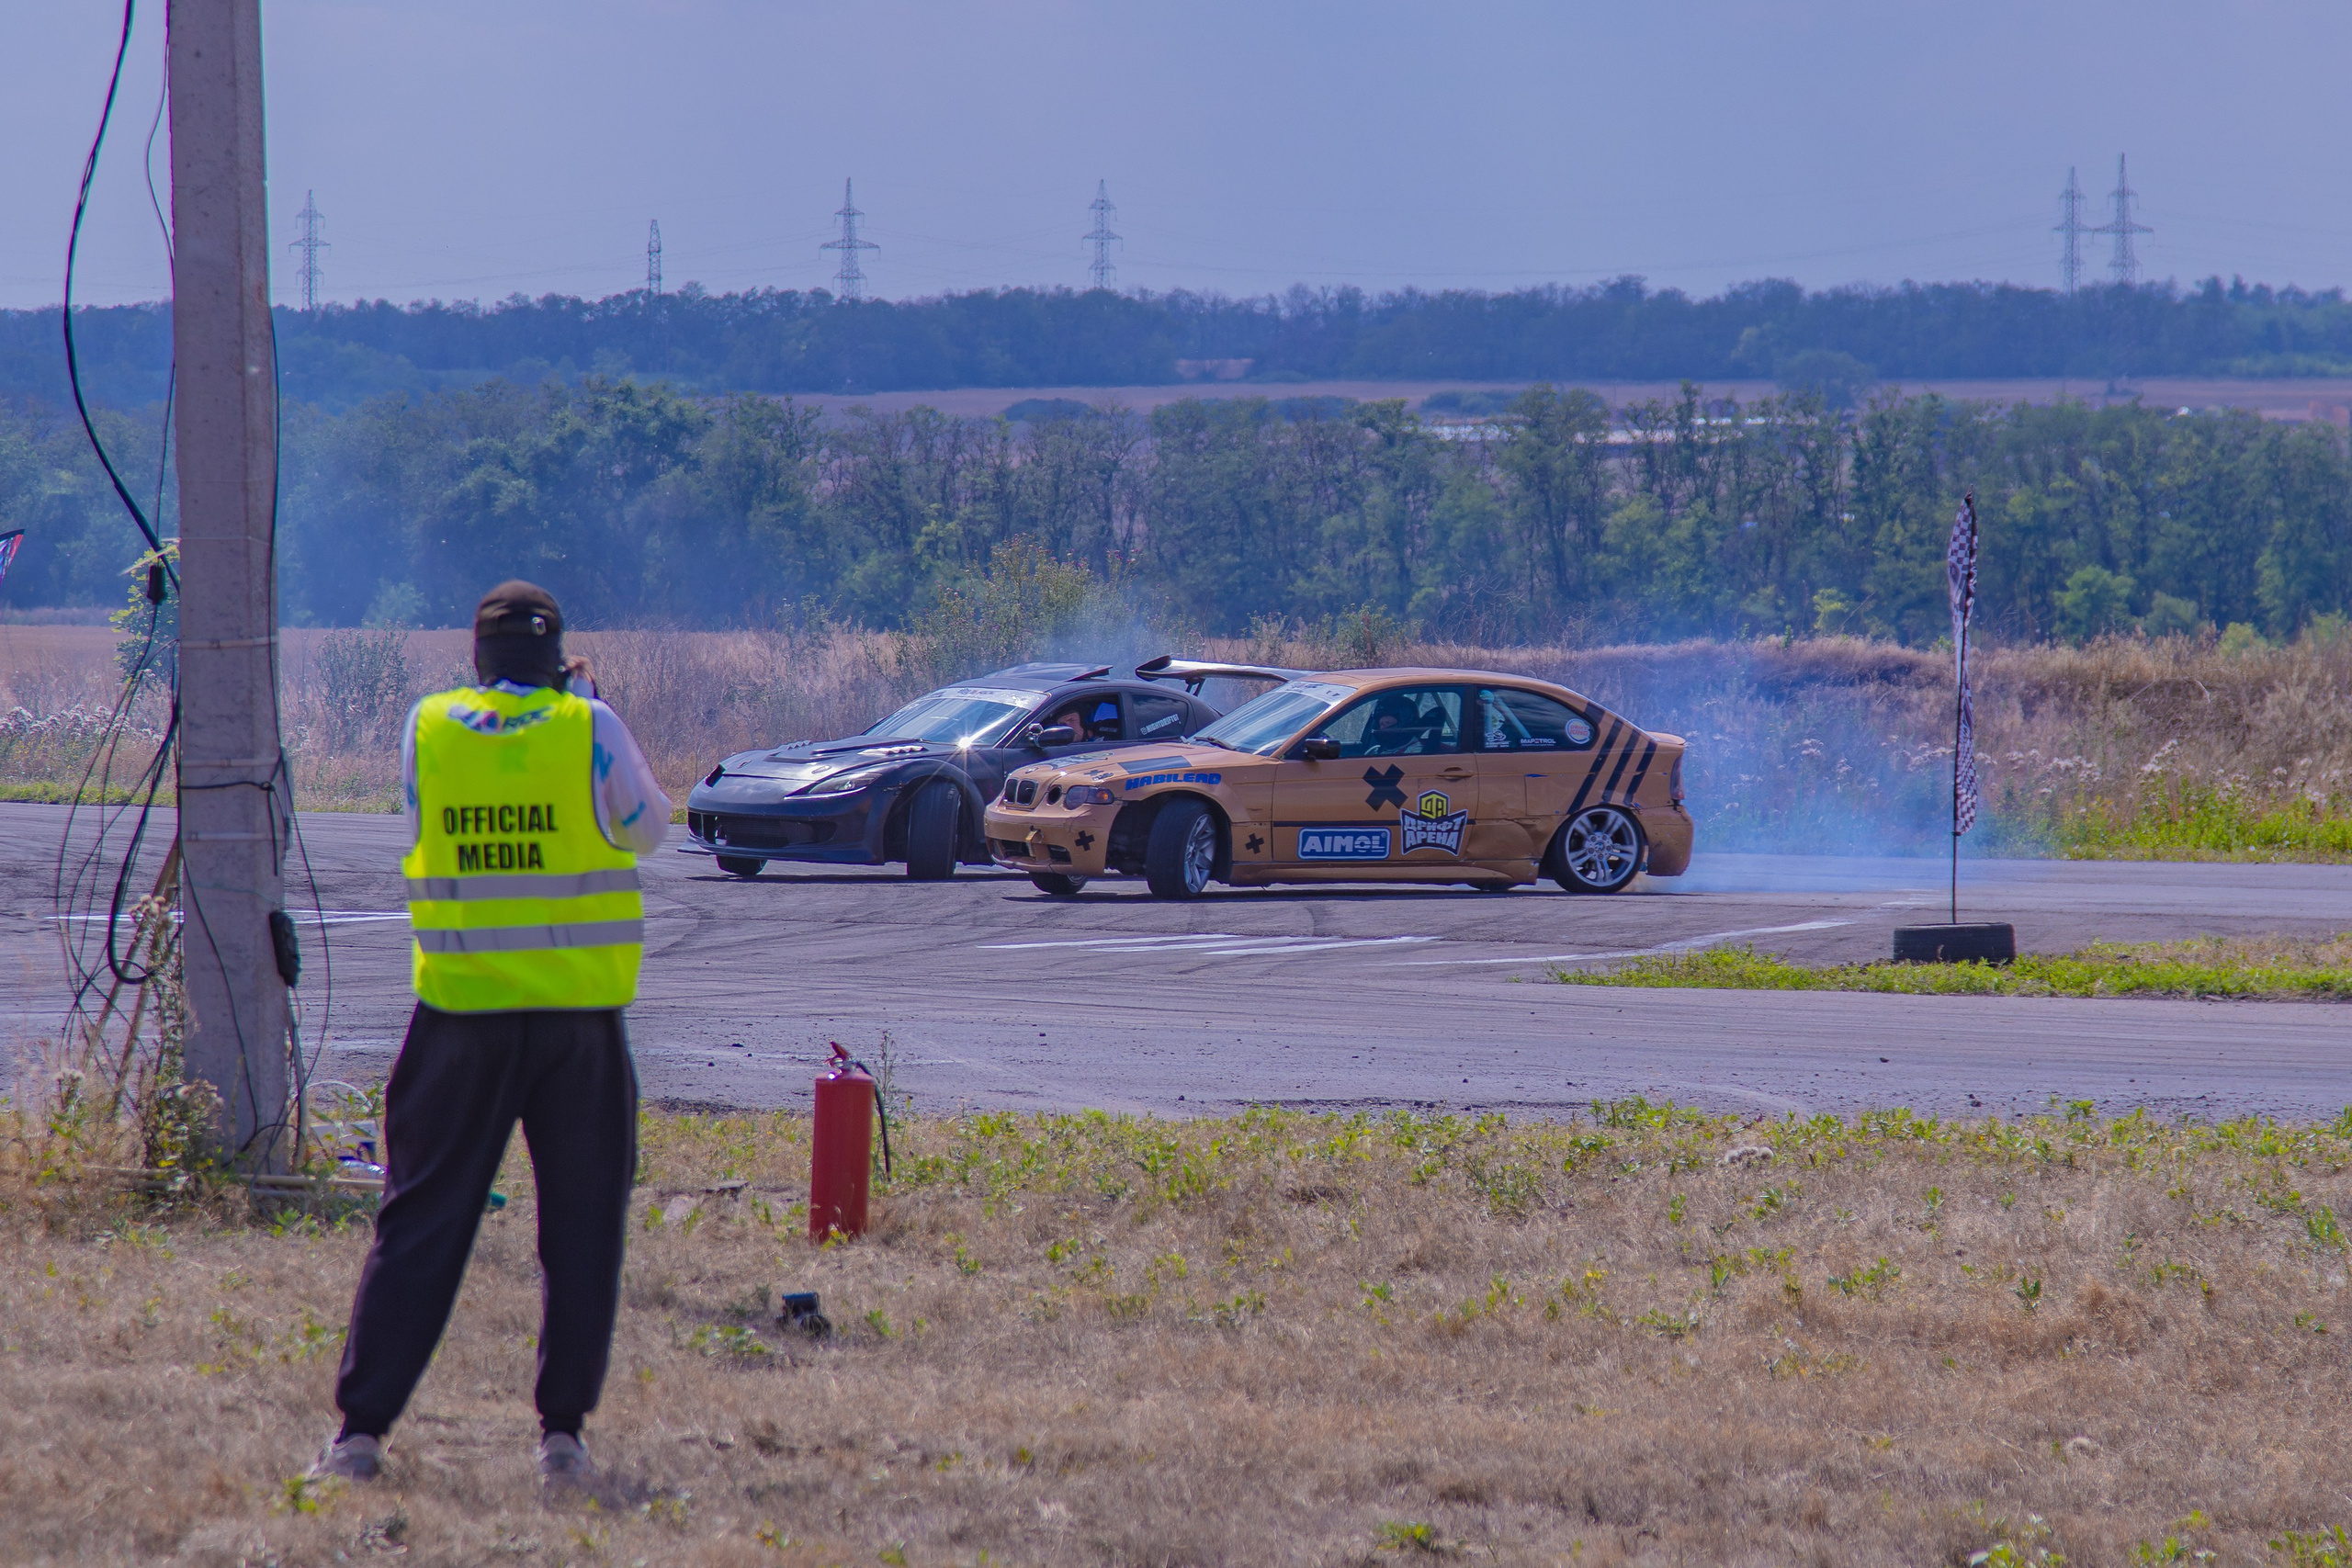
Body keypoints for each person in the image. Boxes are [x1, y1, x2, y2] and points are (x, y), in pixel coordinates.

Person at [310, 581, 671, 1489]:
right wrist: (584, 712)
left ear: (476, 659)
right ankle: (562, 1439)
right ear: (559, 660)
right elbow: (648, 829)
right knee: (582, 1228)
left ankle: (359, 1435)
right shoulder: (589, 726)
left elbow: (420, 818)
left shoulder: (428, 727)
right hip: (576, 1022)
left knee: (420, 1221)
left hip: (459, 1017)